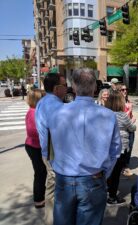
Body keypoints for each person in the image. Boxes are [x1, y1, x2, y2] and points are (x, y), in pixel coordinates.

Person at [49, 68, 122, 224]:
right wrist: (103, 173)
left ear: (73, 87)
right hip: (93, 179)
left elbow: (50, 148)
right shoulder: (108, 115)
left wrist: (57, 167)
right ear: (95, 87)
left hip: (64, 178)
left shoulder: (56, 113)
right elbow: (115, 151)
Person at [35, 72, 67, 225]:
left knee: (51, 190)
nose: (67, 88)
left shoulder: (43, 101)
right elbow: (61, 134)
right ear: (56, 89)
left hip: (48, 152)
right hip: (55, 155)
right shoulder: (55, 105)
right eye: (64, 85)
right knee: (57, 192)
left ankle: (49, 220)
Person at [105, 91, 136, 205]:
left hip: (107, 147)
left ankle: (108, 191)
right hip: (120, 147)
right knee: (116, 173)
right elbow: (132, 128)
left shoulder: (105, 114)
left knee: (108, 171)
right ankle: (112, 197)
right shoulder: (122, 115)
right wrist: (132, 121)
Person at [25, 89, 47, 209]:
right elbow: (34, 132)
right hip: (35, 146)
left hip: (34, 145)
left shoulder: (34, 111)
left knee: (42, 172)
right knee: (40, 173)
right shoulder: (34, 113)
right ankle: (38, 199)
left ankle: (41, 195)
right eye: (43, 97)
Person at [120, 83, 135, 177]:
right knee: (123, 147)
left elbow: (131, 115)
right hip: (122, 128)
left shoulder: (128, 101)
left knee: (130, 145)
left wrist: (133, 118)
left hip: (130, 126)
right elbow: (121, 116)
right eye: (122, 90)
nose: (125, 91)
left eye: (126, 89)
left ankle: (126, 164)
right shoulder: (118, 103)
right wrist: (129, 110)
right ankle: (122, 166)